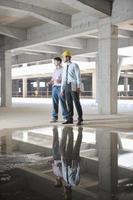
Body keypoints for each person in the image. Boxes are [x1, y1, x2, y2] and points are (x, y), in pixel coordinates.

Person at [61, 51, 83, 125]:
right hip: (67, 85)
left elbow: (78, 76)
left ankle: (80, 118)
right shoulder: (64, 68)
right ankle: (70, 119)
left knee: (76, 102)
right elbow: (63, 79)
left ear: (67, 57)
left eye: (63, 57)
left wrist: (78, 86)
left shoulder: (74, 65)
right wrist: (62, 89)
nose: (63, 58)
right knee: (69, 103)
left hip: (73, 84)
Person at [60, 126, 83, 200]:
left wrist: (62, 159)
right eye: (65, 193)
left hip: (66, 160)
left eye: (63, 192)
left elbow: (63, 169)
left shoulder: (65, 179)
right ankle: (80, 130)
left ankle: (70, 130)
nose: (64, 190)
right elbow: (78, 173)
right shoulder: (75, 183)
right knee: (77, 144)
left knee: (70, 144)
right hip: (74, 161)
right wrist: (78, 163)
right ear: (68, 192)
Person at [48, 57, 69, 123]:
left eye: (55, 61)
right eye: (54, 61)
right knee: (54, 102)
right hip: (54, 87)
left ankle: (66, 117)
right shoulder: (55, 70)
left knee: (62, 102)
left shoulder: (63, 69)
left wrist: (59, 80)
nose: (54, 63)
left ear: (59, 62)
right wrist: (50, 82)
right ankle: (54, 117)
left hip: (60, 87)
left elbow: (65, 79)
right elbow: (52, 79)